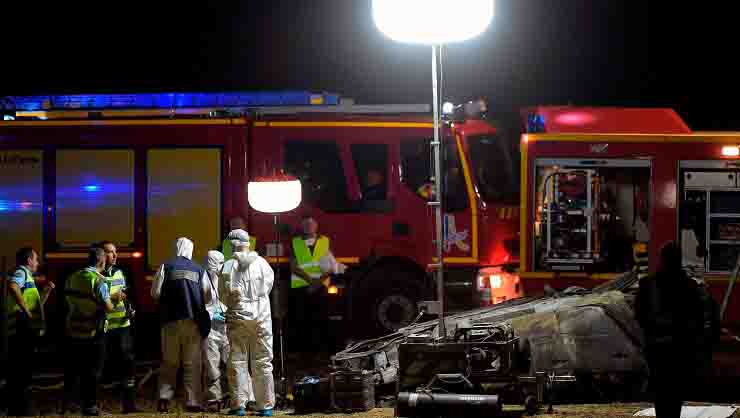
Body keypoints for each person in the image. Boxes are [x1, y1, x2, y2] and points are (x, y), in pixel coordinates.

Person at [635, 242, 710, 418]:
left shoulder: (647, 284)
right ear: (679, 261)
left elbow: (639, 316)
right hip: (679, 349)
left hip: (656, 350)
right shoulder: (690, 286)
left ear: (661, 260)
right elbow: (698, 319)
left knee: (660, 395)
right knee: (675, 396)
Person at [150, 237, 211, 413]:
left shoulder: (166, 266)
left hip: (170, 321)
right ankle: (192, 401)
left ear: (176, 248)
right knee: (192, 363)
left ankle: (164, 398)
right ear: (190, 250)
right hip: (193, 321)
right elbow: (208, 296)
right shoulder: (199, 269)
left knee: (169, 362)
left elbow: (155, 292)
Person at [219, 229, 275, 416]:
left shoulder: (227, 266)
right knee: (263, 360)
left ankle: (239, 405)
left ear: (232, 244)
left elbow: (223, 295)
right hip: (262, 317)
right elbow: (268, 287)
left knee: (237, 361)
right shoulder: (263, 264)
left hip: (239, 317)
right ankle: (265, 406)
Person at [63, 245, 120, 416]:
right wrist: (115, 298)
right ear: (102, 260)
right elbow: (108, 307)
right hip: (93, 332)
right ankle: (90, 407)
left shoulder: (73, 277)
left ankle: (69, 405)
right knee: (93, 371)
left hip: (74, 330)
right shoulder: (98, 280)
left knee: (74, 370)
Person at [289, 217, 344, 369]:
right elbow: (293, 266)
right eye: (305, 223)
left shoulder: (325, 241)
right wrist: (311, 281)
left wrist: (317, 282)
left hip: (319, 289)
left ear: (317, 226)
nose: (308, 226)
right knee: (302, 323)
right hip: (302, 288)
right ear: (301, 226)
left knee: (320, 322)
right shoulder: (296, 242)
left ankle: (320, 356)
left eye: (311, 223)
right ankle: (305, 357)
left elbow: (332, 266)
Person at [5, 247, 54, 416]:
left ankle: (19, 408)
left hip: (22, 329)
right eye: (36, 259)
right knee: (21, 371)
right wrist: (26, 312)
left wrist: (45, 293)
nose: (38, 263)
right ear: (28, 261)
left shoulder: (27, 277)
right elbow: (13, 286)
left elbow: (34, 304)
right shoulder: (21, 272)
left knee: (22, 370)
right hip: (20, 329)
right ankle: (20, 409)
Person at [203, 250, 249, 411]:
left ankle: (243, 398)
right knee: (211, 367)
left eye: (221, 262)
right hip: (210, 329)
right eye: (215, 262)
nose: (218, 266)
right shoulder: (203, 279)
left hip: (227, 326)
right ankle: (214, 400)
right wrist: (211, 314)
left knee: (235, 363)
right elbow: (198, 304)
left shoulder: (227, 277)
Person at [100, 241, 139, 413]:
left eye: (116, 252)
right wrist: (114, 297)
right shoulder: (96, 275)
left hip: (123, 325)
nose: (115, 255)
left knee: (128, 364)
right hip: (104, 327)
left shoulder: (120, 272)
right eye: (110, 252)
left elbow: (126, 295)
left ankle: (129, 406)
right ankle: (93, 405)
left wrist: (131, 309)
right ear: (101, 255)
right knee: (100, 366)